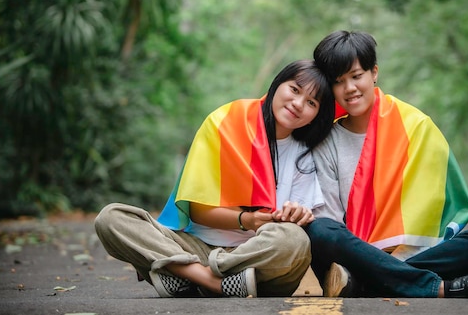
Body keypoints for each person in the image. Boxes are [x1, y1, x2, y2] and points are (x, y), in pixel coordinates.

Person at [94, 59, 335, 298]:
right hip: (196, 248)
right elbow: (198, 211)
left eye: (311, 102)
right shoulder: (225, 123)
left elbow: (293, 224)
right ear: (277, 84)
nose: (298, 103)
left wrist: (296, 216)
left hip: (255, 259)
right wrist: (248, 220)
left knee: (294, 240)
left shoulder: (304, 155)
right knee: (111, 219)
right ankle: (211, 280)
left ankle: (182, 274)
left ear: (316, 115)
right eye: (294, 89)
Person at [305, 30, 468, 299]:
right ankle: (440, 287)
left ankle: (365, 284)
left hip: (408, 253)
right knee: (321, 230)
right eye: (339, 81)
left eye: (357, 76)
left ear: (374, 73)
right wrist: (367, 254)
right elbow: (332, 222)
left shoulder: (414, 126)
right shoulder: (327, 141)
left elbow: (435, 210)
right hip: (352, 253)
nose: (350, 88)